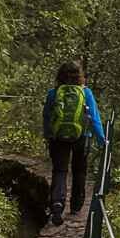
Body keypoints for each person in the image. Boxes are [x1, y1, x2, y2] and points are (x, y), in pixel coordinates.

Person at [42, 60, 106, 226]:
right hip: (81, 136)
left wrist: (48, 134)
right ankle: (76, 206)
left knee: (60, 170)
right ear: (80, 76)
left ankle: (57, 203)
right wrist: (101, 139)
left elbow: (47, 116)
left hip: (58, 137)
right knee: (79, 170)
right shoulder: (86, 93)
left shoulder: (54, 93)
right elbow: (94, 118)